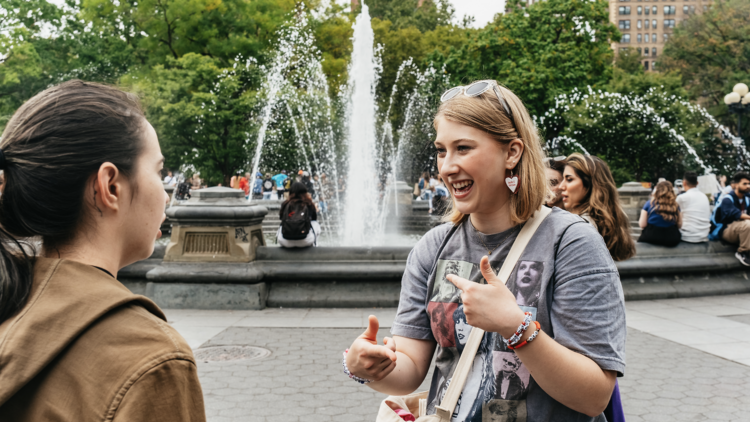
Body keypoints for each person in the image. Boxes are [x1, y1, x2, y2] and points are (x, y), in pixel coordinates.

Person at [344, 80, 625, 421]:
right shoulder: (433, 247)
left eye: (463, 148)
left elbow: (593, 396)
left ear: (512, 152)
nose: (446, 167)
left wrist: (515, 327)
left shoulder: (571, 243)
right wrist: (369, 366)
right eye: (441, 150)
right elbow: (410, 367)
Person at [0, 80, 205, 420]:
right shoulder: (149, 358)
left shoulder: (12, 304)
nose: (166, 195)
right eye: (157, 171)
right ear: (110, 185)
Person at [559, 153, 636, 261]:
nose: (561, 186)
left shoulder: (579, 226)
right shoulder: (608, 220)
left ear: (590, 184)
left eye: (569, 179)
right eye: (563, 179)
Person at [712, 172, 750, 266]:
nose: (748, 186)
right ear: (736, 185)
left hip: (743, 230)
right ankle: (743, 252)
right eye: (744, 184)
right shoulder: (727, 199)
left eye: (749, 184)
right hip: (727, 230)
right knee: (748, 224)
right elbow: (736, 214)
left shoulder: (747, 199)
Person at [637, 181, 682, 247]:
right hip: (671, 238)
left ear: (657, 190)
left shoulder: (649, 203)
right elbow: (679, 225)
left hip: (651, 236)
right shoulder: (675, 205)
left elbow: (642, 225)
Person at [277, 182, 321, 248]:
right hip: (305, 241)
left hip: (285, 241)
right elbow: (314, 218)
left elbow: (281, 218)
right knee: (315, 223)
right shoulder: (309, 203)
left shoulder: (285, 204)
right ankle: (315, 245)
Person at [676, 171, 710, 243]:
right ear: (697, 183)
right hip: (704, 235)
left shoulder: (682, 197)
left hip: (687, 236)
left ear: (684, 183)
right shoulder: (704, 197)